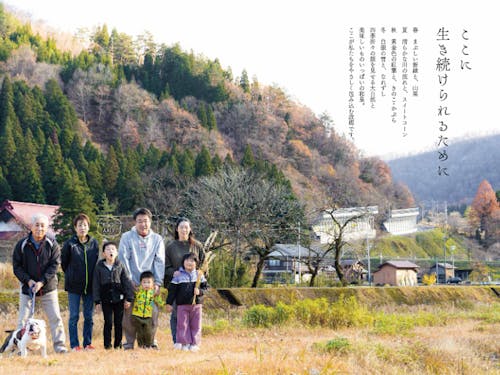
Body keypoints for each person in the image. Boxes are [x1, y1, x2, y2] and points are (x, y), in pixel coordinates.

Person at [12, 213, 67, 354]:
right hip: (27, 289)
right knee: (23, 321)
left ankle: (60, 347)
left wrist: (42, 282)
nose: (40, 228)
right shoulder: (22, 245)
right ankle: (21, 349)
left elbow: (55, 266)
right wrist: (28, 280)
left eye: (43, 225)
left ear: (47, 227)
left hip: (48, 288)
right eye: (37, 225)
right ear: (31, 226)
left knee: (55, 319)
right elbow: (16, 267)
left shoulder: (52, 244)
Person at [118, 208, 165, 350]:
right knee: (130, 314)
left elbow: (160, 261)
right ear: (135, 222)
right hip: (131, 281)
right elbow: (123, 259)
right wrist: (129, 280)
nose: (143, 224)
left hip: (149, 283)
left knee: (152, 313)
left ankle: (150, 341)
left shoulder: (157, 239)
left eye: (145, 221)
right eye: (139, 221)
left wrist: (157, 282)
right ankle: (129, 342)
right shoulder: (127, 237)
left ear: (150, 222)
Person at [61, 213, 99, 351]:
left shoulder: (94, 243)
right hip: (73, 287)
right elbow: (64, 264)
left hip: (89, 287)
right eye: (79, 225)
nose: (82, 228)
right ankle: (74, 345)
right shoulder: (69, 244)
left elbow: (95, 262)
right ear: (75, 228)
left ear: (88, 227)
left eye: (85, 225)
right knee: (74, 316)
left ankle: (87, 343)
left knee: (89, 316)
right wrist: (72, 275)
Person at [164, 217, 205, 344]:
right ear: (177, 229)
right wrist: (173, 272)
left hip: (193, 286)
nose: (184, 230)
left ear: (190, 229)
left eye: (186, 227)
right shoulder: (170, 246)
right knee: (177, 314)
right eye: (181, 227)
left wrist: (200, 278)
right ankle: (177, 341)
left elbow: (204, 264)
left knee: (193, 317)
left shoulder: (197, 246)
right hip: (178, 285)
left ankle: (192, 342)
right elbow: (165, 266)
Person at [93, 241, 134, 350]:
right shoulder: (99, 267)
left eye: (113, 249)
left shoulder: (120, 265)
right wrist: (97, 301)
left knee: (119, 323)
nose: (110, 251)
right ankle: (107, 345)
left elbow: (127, 282)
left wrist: (129, 298)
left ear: (116, 253)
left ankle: (118, 344)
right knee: (108, 322)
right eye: (108, 249)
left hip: (119, 299)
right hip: (106, 299)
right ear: (103, 254)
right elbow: (96, 284)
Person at [166, 252, 207, 352]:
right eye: (187, 260)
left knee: (196, 324)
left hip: (196, 305)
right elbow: (172, 291)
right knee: (182, 324)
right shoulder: (178, 276)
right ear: (183, 263)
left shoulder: (199, 275)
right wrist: (169, 303)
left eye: (193, 261)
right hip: (182, 305)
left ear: (196, 263)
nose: (190, 262)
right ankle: (185, 343)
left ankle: (195, 344)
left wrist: (200, 292)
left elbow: (206, 288)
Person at [131, 271, 164, 348]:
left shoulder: (153, 293)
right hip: (137, 315)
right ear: (141, 283)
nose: (146, 284)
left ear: (153, 284)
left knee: (148, 331)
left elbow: (159, 302)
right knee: (140, 332)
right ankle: (141, 345)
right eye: (144, 282)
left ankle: (148, 344)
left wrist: (160, 301)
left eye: (148, 282)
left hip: (148, 316)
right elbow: (132, 296)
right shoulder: (138, 292)